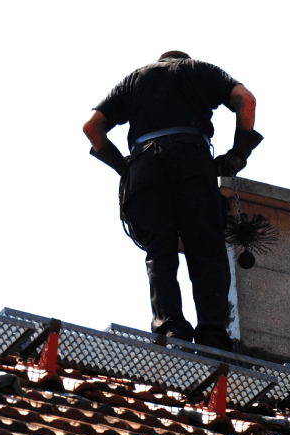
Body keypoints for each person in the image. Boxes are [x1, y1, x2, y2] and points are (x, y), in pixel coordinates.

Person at [82, 51, 261, 351]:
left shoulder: (134, 80)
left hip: (145, 169)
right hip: (191, 159)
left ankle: (170, 331)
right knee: (205, 248)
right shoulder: (200, 70)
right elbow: (246, 99)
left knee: (160, 252)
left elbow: (91, 127)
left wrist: (123, 167)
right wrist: (237, 154)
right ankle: (213, 336)